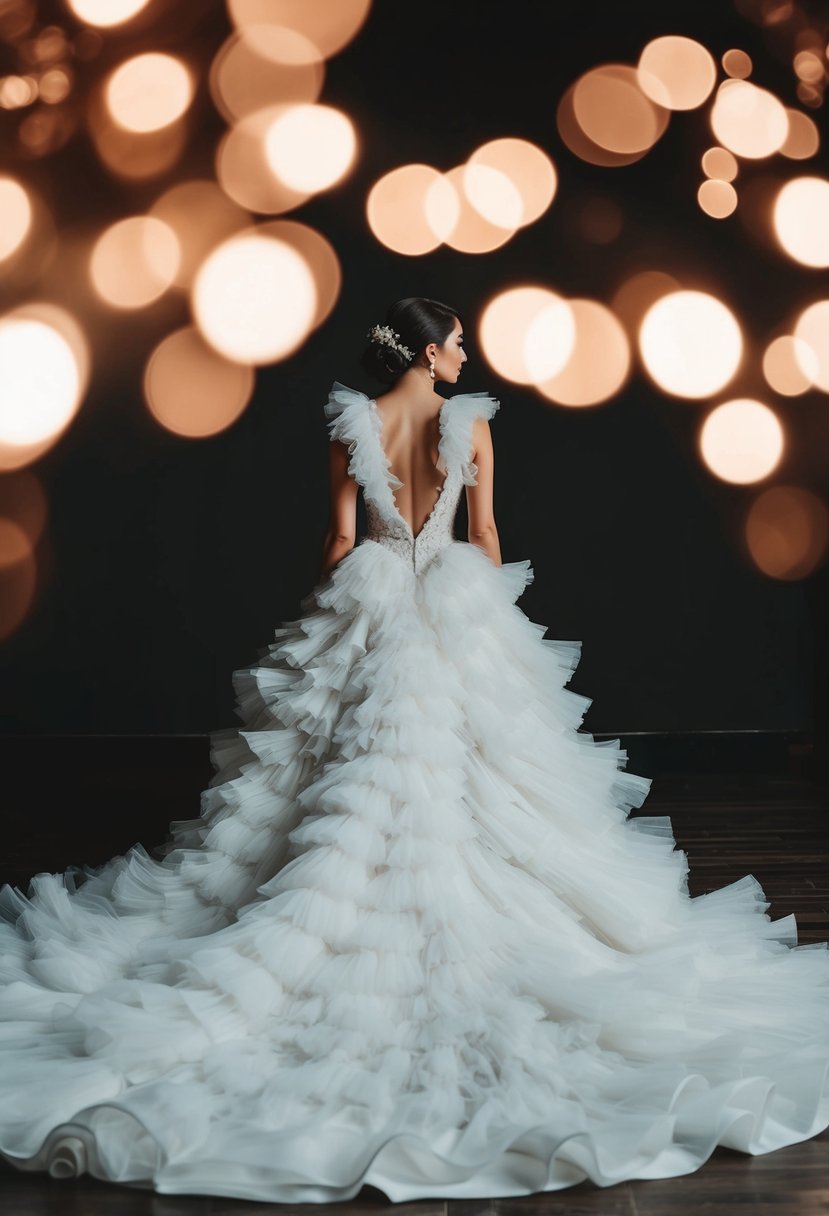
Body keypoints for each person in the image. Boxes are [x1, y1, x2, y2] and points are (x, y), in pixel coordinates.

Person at [0, 295, 827, 1204]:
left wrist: (330, 617)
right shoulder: (469, 428)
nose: (467, 358)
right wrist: (491, 622)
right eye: (459, 344)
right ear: (428, 353)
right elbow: (484, 538)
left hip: (375, 598)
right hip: (452, 606)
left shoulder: (351, 423)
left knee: (332, 777)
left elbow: (339, 540)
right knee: (483, 775)